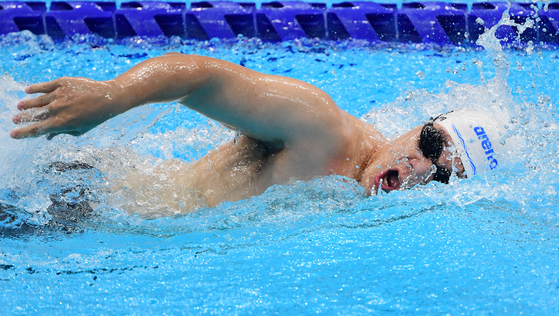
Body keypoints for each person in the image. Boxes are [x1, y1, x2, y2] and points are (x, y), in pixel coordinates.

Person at [10, 53, 509, 212]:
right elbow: (200, 76)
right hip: (76, 198)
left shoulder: (368, 200)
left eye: (442, 177)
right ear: (413, 127)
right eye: (429, 143)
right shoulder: (321, 128)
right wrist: (108, 97)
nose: (421, 167)